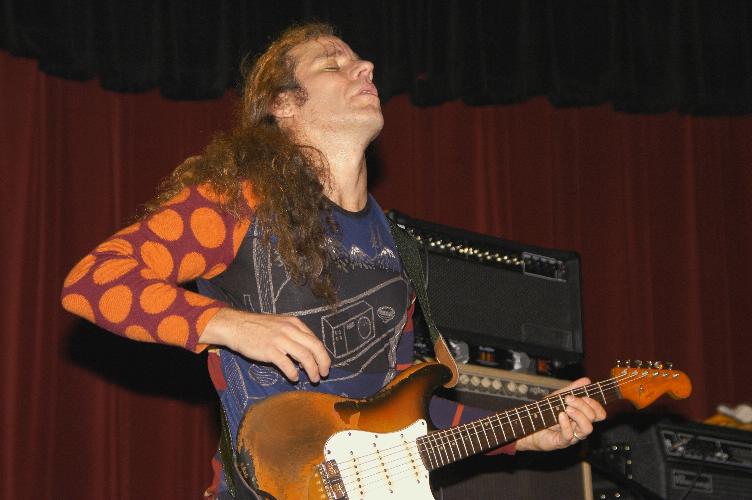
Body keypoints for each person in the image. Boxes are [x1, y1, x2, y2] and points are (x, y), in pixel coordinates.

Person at [61, 22, 606, 499]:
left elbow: (400, 409)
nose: (365, 67)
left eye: (361, 61)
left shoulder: (398, 249)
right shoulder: (237, 202)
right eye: (333, 63)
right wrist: (226, 324)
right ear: (284, 103)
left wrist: (524, 432)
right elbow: (94, 282)